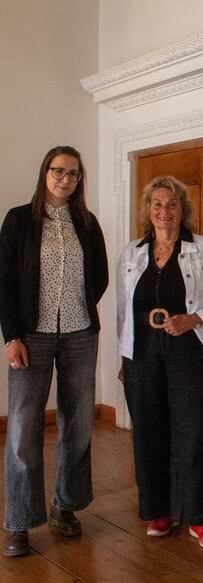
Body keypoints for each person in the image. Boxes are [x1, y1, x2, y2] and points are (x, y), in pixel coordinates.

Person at [0, 146, 108, 557]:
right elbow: (4, 281)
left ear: (80, 180)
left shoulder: (86, 222)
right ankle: (20, 522)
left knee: (78, 425)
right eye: (58, 170)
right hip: (32, 335)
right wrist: (12, 336)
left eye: (73, 174)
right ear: (44, 172)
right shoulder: (19, 220)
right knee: (24, 431)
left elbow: (98, 276)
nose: (65, 179)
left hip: (80, 334)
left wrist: (78, 306)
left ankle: (66, 506)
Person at [117, 176, 203, 549]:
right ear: (147, 211)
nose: (164, 211)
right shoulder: (131, 254)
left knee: (196, 431)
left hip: (191, 351)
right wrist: (123, 357)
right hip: (142, 355)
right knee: (149, 433)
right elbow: (123, 310)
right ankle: (159, 511)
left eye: (171, 204)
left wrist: (193, 319)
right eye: (157, 205)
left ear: (183, 209)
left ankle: (201, 519)